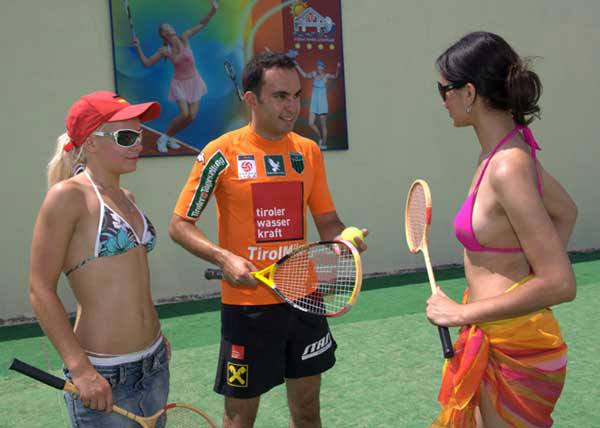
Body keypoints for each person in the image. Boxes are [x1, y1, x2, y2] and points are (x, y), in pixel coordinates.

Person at [168, 51, 367, 428]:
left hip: (304, 299)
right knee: (240, 417)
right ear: (251, 99)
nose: (292, 106)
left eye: (297, 96)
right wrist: (224, 258)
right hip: (247, 308)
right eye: (280, 96)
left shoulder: (308, 151)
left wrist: (342, 239)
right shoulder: (220, 153)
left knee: (307, 410)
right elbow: (180, 225)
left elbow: (327, 219)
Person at [428, 32, 577, 427]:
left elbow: (560, 283)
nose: (442, 101)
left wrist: (463, 312)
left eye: (444, 90)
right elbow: (566, 212)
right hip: (497, 335)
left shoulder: (508, 166)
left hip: (515, 348)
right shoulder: (503, 152)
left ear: (469, 93)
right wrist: (521, 276)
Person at [29, 91, 170, 427]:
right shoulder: (68, 197)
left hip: (154, 362)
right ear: (91, 143)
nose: (138, 144)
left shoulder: (127, 197)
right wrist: (80, 369)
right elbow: (40, 289)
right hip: (103, 374)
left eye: (139, 135)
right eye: (126, 137)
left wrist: (156, 342)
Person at [133, 0, 218, 153]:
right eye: (167, 27)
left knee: (192, 116)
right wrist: (138, 47)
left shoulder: (184, 37)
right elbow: (147, 63)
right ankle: (163, 138)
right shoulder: (164, 50)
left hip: (194, 81)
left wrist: (213, 10)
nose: (171, 27)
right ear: (163, 34)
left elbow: (201, 24)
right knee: (184, 114)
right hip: (179, 84)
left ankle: (171, 136)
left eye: (170, 26)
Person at [294, 59, 342, 149]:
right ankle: (320, 137)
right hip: (314, 102)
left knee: (323, 124)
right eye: (318, 66)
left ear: (323, 68)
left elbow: (335, 76)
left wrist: (338, 68)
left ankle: (324, 144)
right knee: (310, 123)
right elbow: (304, 75)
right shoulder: (313, 74)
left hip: (322, 102)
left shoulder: (326, 76)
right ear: (317, 67)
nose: (319, 67)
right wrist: (297, 66)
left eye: (321, 66)